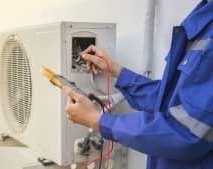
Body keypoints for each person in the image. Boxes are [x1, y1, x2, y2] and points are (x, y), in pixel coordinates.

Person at [62, 1, 213, 169]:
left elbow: (186, 133)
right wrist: (117, 72)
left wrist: (100, 121)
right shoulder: (204, 15)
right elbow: (170, 98)